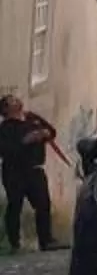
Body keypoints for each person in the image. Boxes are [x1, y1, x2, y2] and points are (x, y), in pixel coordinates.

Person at [0, 92, 57, 254]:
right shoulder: (5, 128)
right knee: (15, 205)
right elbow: (5, 151)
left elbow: (51, 131)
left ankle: (46, 240)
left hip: (35, 169)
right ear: (6, 108)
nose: (16, 99)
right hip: (14, 172)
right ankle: (14, 243)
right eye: (11, 100)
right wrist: (25, 141)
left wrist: (45, 134)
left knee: (43, 205)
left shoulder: (32, 118)